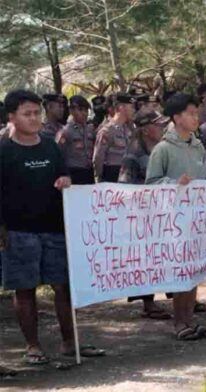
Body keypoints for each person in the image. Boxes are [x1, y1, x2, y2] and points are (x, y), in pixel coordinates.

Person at [1, 90, 105, 364]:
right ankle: (33, 346)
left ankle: (70, 343)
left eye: (36, 113)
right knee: (25, 290)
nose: (34, 118)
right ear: (11, 116)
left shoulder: (50, 145)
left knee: (63, 287)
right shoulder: (3, 151)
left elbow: (65, 175)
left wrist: (65, 182)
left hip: (55, 229)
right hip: (18, 232)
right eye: (27, 114)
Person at [146, 93, 206, 340]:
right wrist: (174, 183)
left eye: (197, 113)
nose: (196, 118)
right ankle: (179, 324)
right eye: (191, 114)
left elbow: (204, 181)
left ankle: (190, 321)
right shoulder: (162, 149)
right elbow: (151, 183)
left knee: (194, 271)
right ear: (176, 118)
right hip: (174, 221)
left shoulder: (198, 146)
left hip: (197, 219)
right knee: (180, 274)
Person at [118, 111, 172, 319]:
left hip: (163, 212)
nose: (162, 128)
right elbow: (124, 185)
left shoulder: (163, 149)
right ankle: (148, 303)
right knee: (145, 257)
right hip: (142, 214)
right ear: (145, 129)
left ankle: (179, 295)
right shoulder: (133, 153)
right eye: (158, 125)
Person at [93, 93, 135, 183]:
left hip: (126, 177)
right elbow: (98, 158)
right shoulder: (107, 131)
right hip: (111, 177)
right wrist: (100, 179)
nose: (133, 110)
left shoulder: (128, 130)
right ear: (121, 107)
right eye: (131, 107)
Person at [55, 95, 96, 185]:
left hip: (89, 172)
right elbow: (59, 155)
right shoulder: (66, 131)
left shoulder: (90, 129)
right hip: (73, 172)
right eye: (80, 110)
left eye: (86, 110)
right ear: (71, 111)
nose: (84, 113)